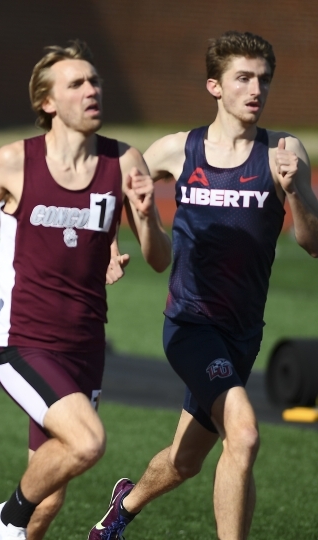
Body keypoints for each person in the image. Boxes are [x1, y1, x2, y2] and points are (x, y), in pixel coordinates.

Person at [0, 40, 171, 540]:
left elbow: (159, 258)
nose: (91, 91)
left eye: (95, 81)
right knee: (87, 444)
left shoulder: (124, 162)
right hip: (24, 341)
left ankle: (16, 524)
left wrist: (146, 219)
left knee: (54, 489)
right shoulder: (15, 162)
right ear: (48, 102)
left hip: (85, 344)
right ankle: (5, 518)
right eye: (76, 84)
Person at [88, 31, 318, 540]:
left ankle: (120, 511)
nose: (256, 88)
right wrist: (110, 247)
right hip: (190, 325)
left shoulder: (285, 151)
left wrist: (294, 192)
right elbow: (118, 190)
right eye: (243, 78)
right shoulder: (179, 149)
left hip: (243, 333)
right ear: (215, 86)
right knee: (245, 433)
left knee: (186, 460)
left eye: (263, 79)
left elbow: (313, 241)